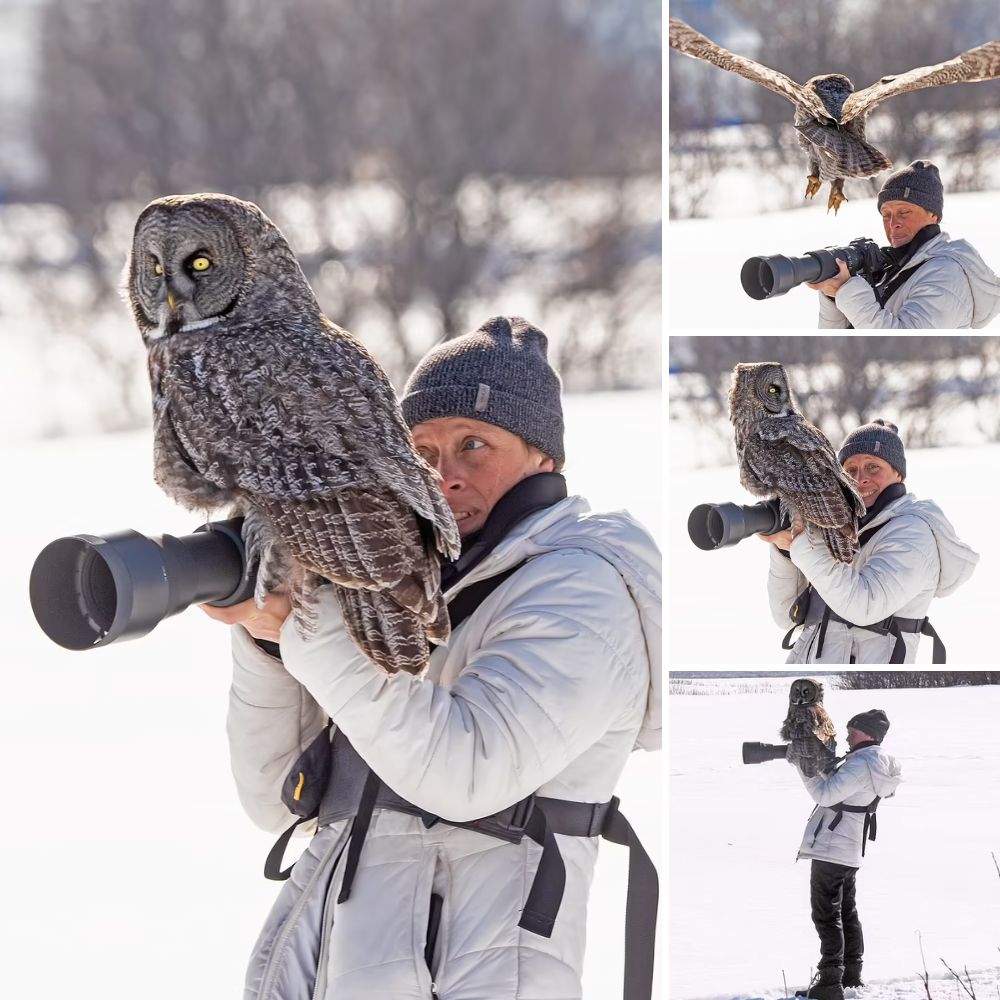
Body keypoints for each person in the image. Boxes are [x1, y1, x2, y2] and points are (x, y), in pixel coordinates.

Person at [204, 316, 662, 1000]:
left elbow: (466, 770)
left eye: (473, 445)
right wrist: (270, 641)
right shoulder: (404, 587)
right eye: (420, 450)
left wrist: (310, 629)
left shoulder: (582, 589)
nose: (443, 475)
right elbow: (279, 800)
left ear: (545, 459)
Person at [760, 418, 978, 663]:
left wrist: (800, 544)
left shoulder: (914, 533)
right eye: (850, 470)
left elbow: (865, 605)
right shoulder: (837, 530)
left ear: (898, 474)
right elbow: (786, 616)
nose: (860, 478)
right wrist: (786, 552)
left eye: (873, 467)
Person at [789, 709, 903, 1000]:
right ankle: (850, 975)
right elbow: (842, 787)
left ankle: (829, 982)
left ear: (869, 734)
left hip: (833, 846)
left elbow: (826, 795)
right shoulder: (875, 761)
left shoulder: (862, 763)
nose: (848, 734)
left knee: (826, 914)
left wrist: (804, 768)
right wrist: (819, 763)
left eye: (854, 730)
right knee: (845, 911)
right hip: (848, 845)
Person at [806, 160, 1000, 329]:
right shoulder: (898, 268)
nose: (893, 223)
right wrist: (834, 297)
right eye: (886, 215)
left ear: (933, 215)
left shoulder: (945, 272)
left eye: (904, 212)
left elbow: (900, 340)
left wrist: (849, 291)